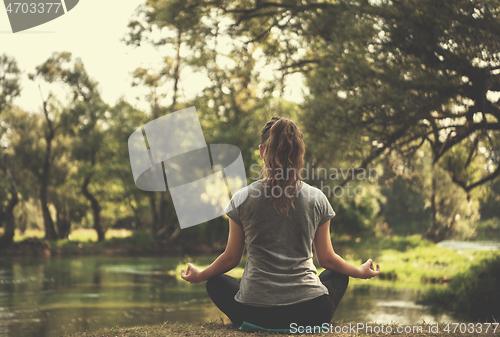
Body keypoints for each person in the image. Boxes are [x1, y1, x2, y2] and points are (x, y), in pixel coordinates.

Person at [180, 116, 380, 329]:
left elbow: (231, 258)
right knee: (338, 273)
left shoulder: (243, 198)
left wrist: (201, 274)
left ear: (262, 151)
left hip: (253, 312)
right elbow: (327, 260)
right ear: (299, 153)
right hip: (312, 311)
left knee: (216, 282)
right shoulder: (317, 198)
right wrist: (358, 271)